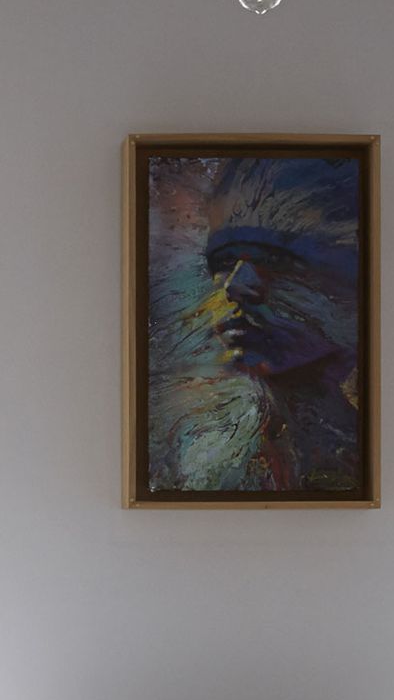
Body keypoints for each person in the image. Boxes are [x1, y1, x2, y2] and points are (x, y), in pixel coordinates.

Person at [151, 154, 363, 495]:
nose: (234, 287)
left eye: (275, 260)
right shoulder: (205, 458)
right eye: (222, 264)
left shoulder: (359, 455)